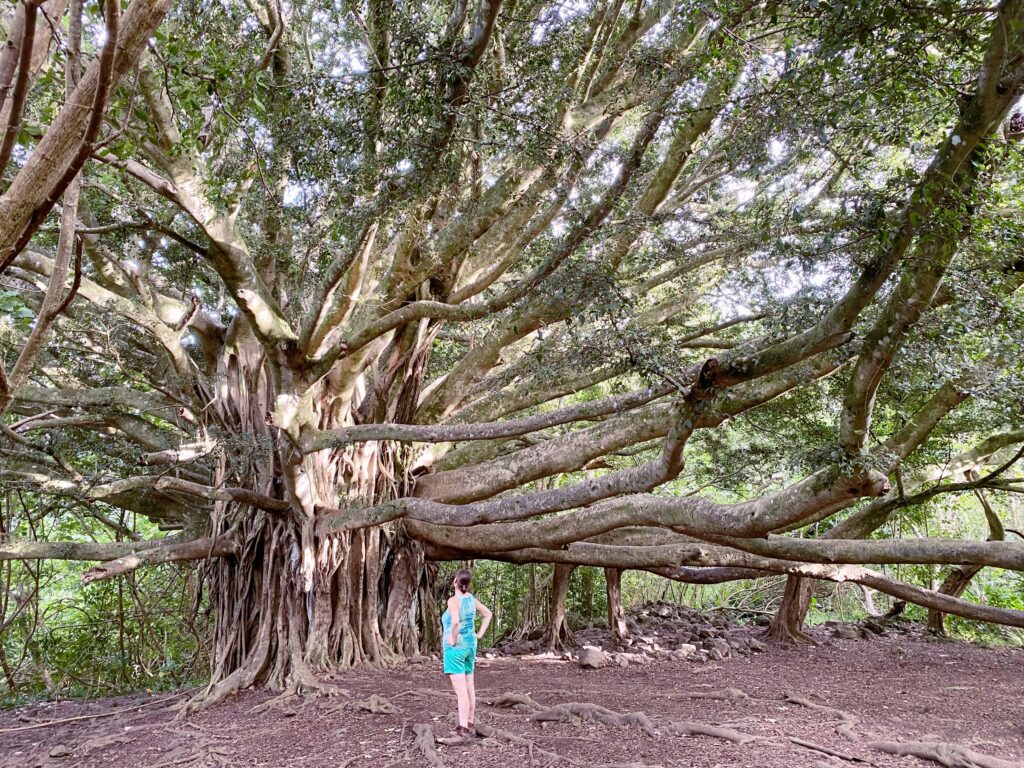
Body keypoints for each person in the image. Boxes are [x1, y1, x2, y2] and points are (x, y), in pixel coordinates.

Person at [442, 568, 492, 740]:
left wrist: (454, 641)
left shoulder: (453, 600)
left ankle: (462, 729)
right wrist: (479, 634)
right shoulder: (471, 599)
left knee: (461, 692)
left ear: (455, 582)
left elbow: (455, 622)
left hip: (456, 649)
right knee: (469, 686)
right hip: (471, 646)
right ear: (467, 584)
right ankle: (469, 723)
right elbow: (488, 614)